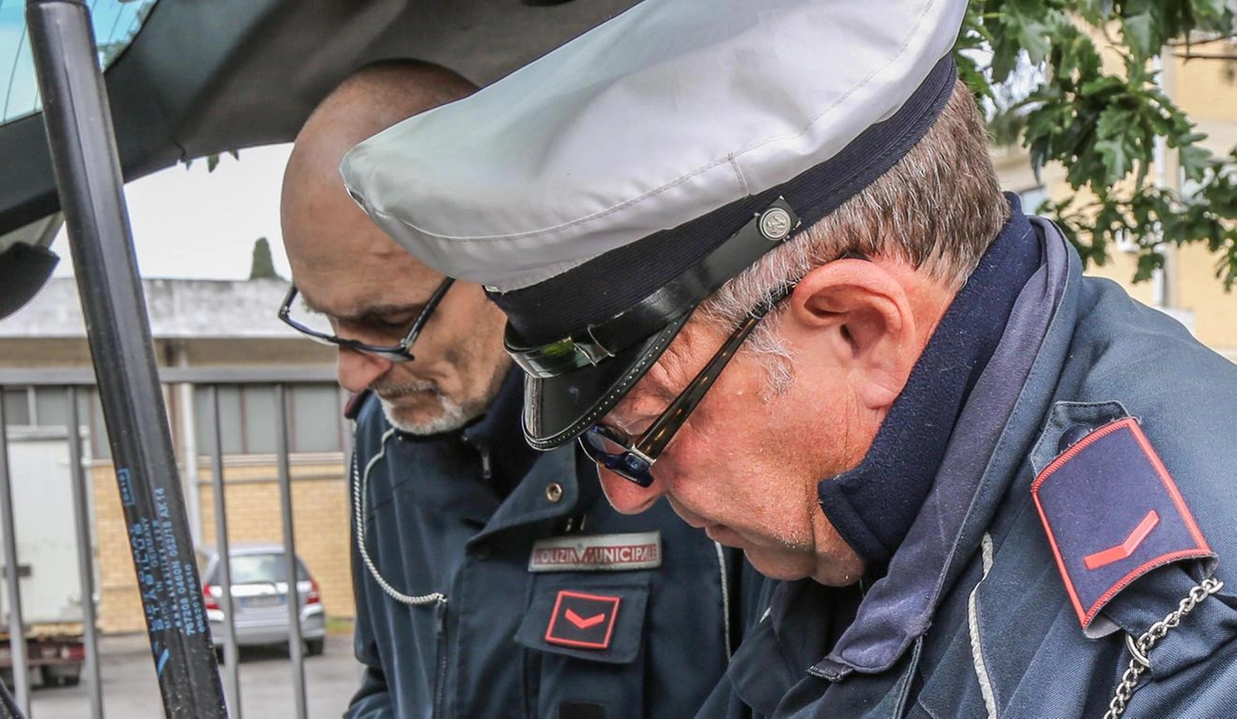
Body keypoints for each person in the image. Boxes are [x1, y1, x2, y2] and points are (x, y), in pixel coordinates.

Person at [340, 1, 1237, 717]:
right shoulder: (862, 508)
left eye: (646, 423)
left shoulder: (1186, 640)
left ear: (860, 329)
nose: (625, 492)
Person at [279, 60, 753, 719]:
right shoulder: (381, 446)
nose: (352, 374)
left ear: (512, 259)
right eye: (327, 320)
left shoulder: (687, 431)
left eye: (386, 322)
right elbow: (386, 682)